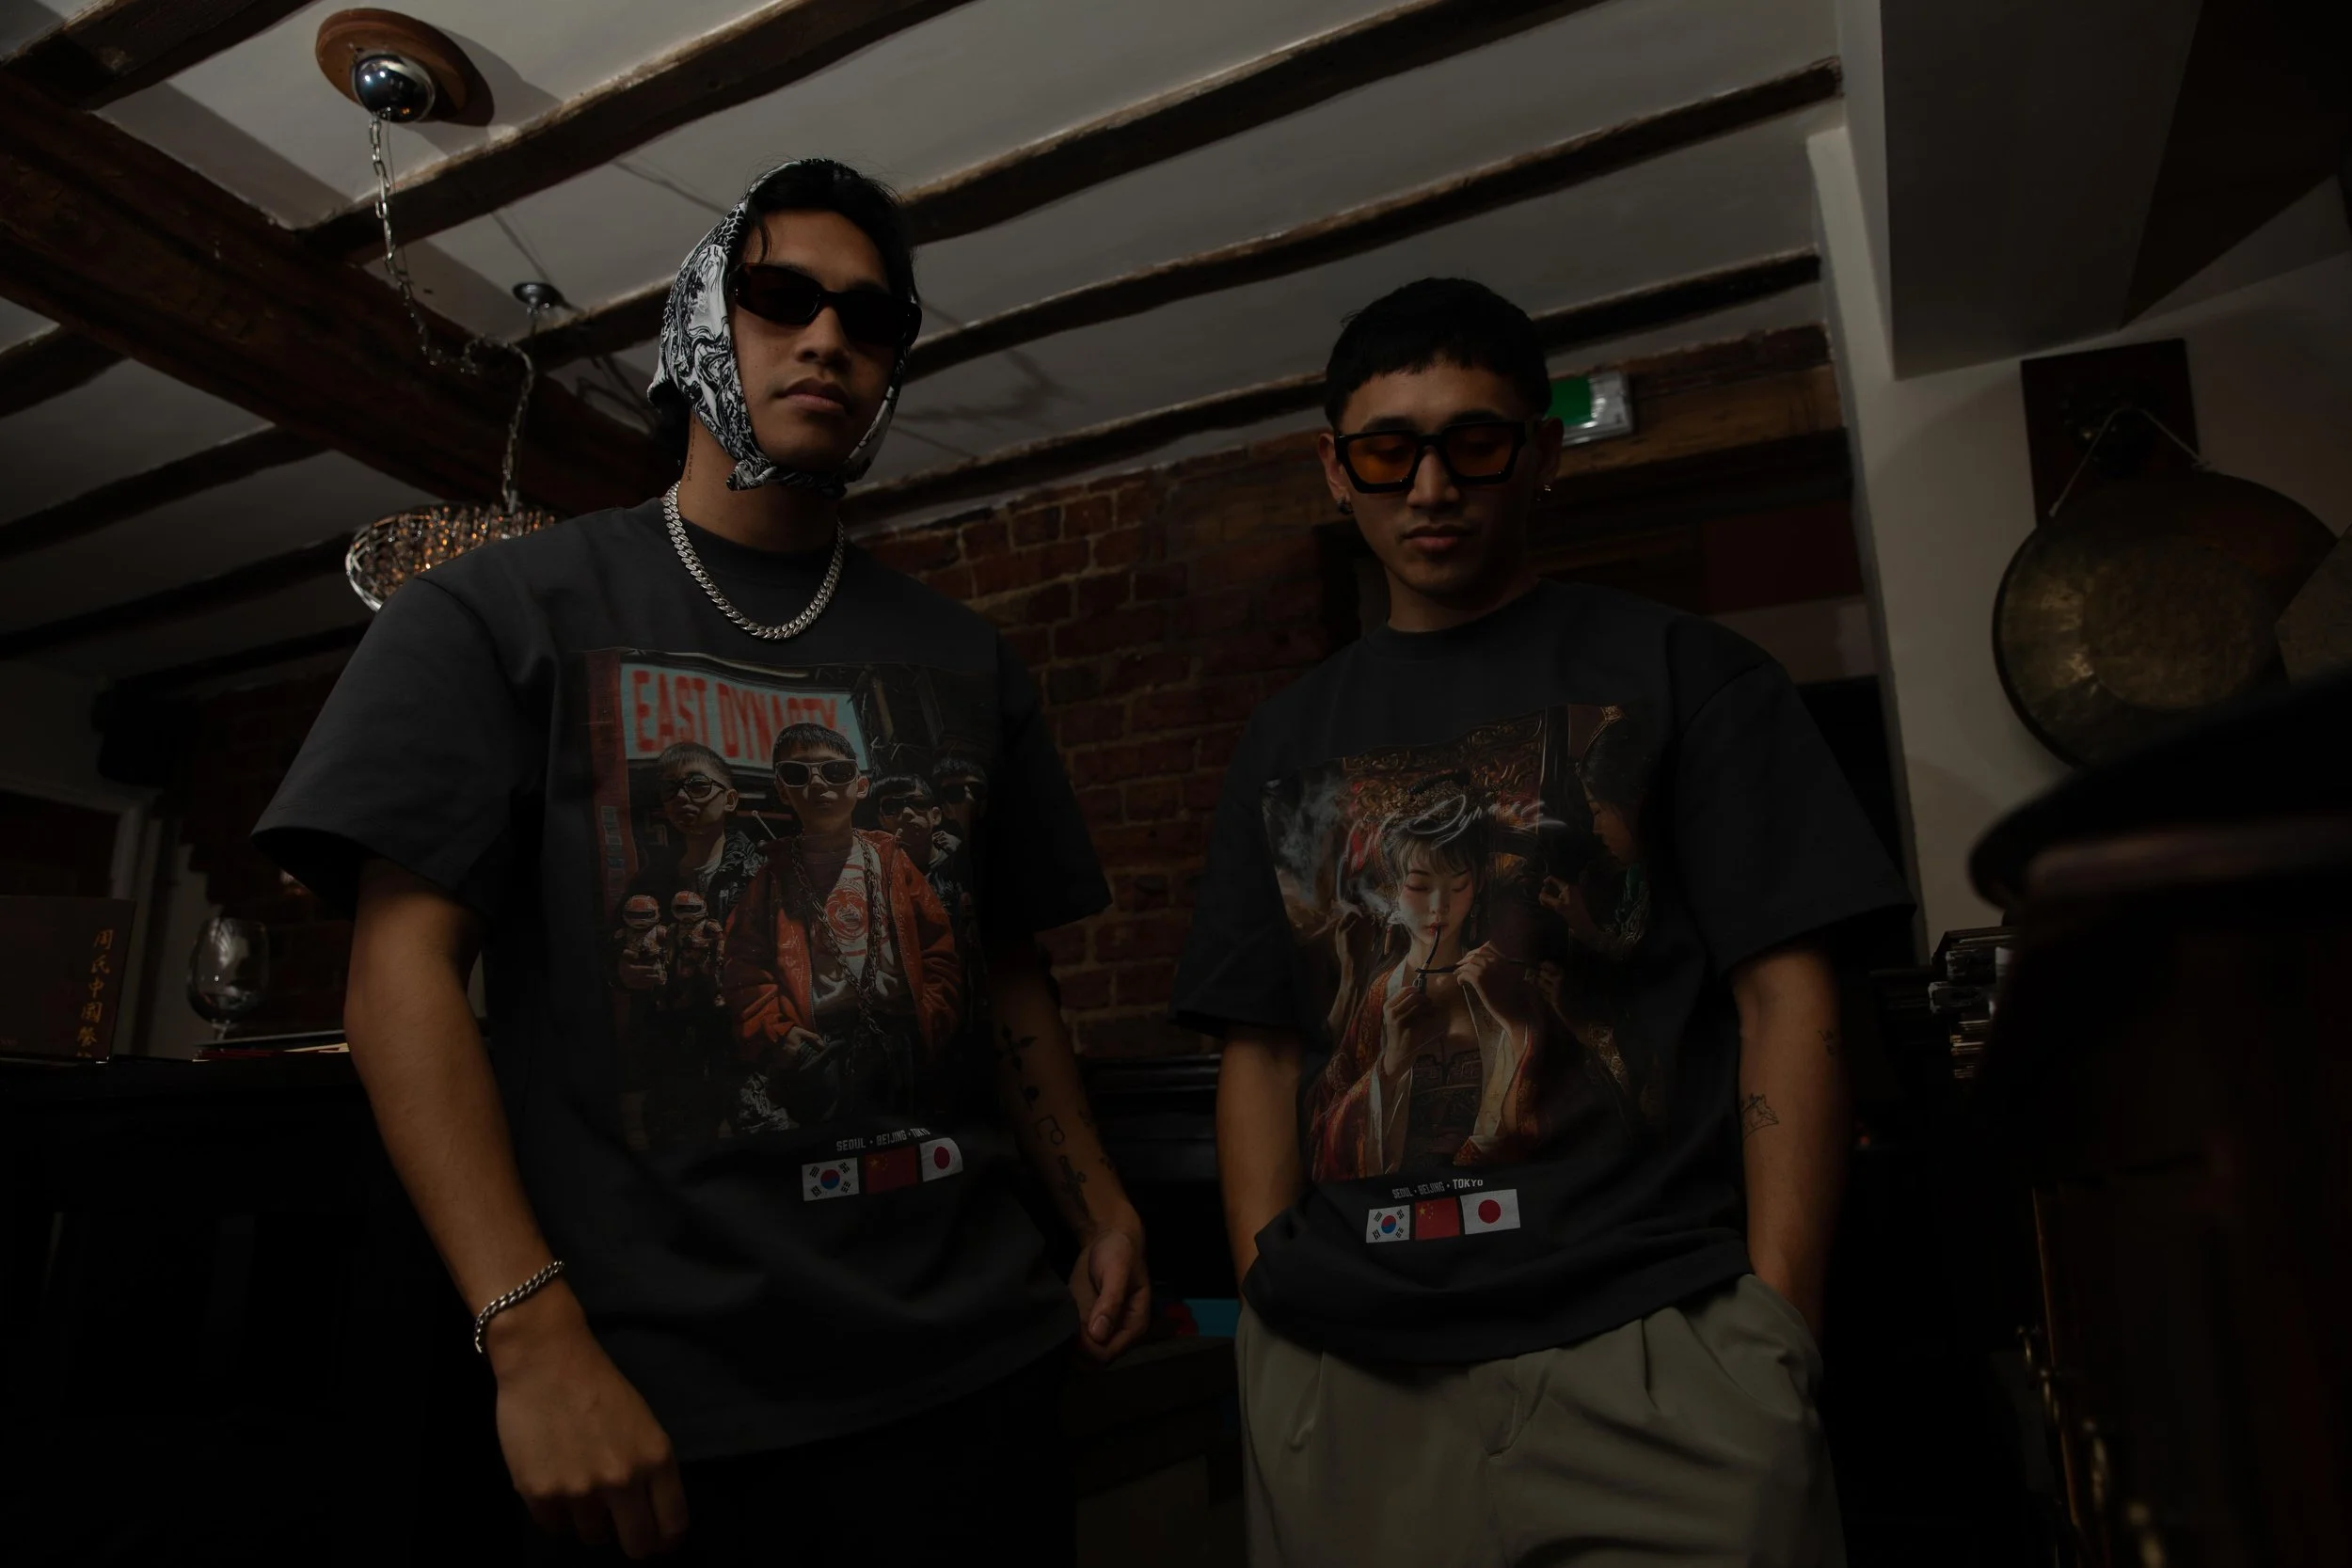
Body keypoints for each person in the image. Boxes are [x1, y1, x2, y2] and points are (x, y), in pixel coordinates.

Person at [256, 159, 1148, 1565]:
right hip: (657, 1405)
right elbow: (397, 976)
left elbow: (1006, 965)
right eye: (780, 296)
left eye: (871, 318)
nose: (828, 338)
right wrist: (531, 1336)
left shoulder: (966, 658)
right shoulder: (495, 612)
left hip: (978, 1368)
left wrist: (1096, 1202)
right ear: (695, 322)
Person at [1172, 277, 1912, 1567]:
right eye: (1388, 451)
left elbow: (1785, 995)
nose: (1431, 486)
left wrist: (1776, 1326)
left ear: (1543, 451)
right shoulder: (1286, 739)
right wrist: (1266, 1315)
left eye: (1474, 441)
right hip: (1353, 1371)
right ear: (1336, 470)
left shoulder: (1688, 673)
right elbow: (1264, 1047)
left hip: (1654, 1347)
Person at [722, 722, 960, 1132]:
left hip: (903, 1035)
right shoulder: (772, 877)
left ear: (860, 785)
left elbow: (938, 944)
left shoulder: (891, 861)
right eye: (797, 773)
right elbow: (743, 963)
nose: (817, 783)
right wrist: (777, 1032)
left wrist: (934, 1014)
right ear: (782, 790)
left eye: (835, 771)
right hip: (820, 1046)